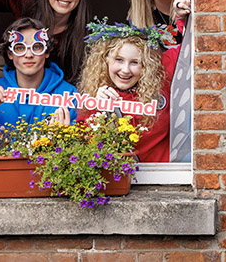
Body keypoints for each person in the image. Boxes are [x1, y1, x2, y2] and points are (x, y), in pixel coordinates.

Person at [0, 18, 77, 164]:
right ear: (10, 54)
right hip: (1, 182)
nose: (29, 54)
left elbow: (76, 156)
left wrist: (63, 137)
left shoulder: (68, 94)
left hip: (48, 182)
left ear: (47, 52)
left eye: (37, 47)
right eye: (20, 48)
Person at [76, 20, 180, 162]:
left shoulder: (160, 76)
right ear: (105, 60)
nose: (125, 70)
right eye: (119, 60)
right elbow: (85, 147)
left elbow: (192, 46)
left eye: (134, 62)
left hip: (161, 177)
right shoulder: (94, 94)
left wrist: (182, 16)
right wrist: (98, 110)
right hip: (117, 180)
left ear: (146, 64)